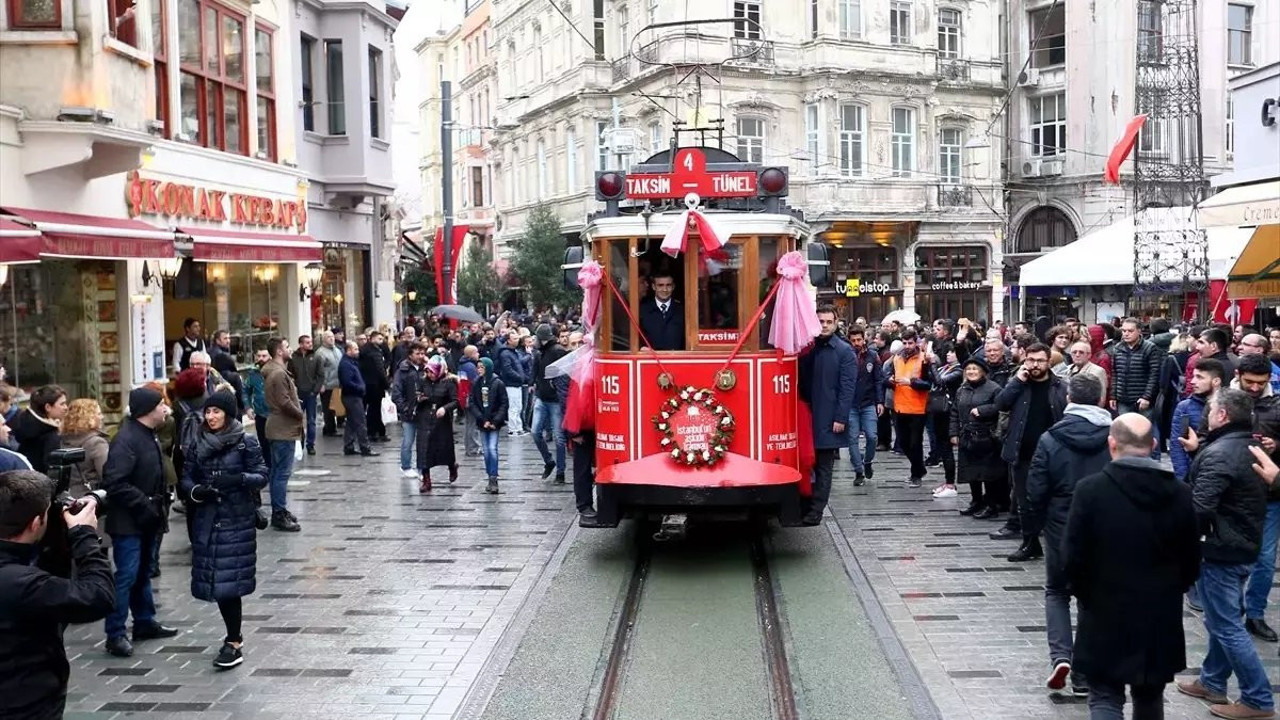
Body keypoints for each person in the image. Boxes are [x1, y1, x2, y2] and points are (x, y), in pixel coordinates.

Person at [1064, 414, 1200, 720]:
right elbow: (1192, 558)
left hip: (1104, 610)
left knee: (1105, 697)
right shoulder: (1180, 493)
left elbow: (1073, 557)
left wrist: (1085, 595)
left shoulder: (1091, 490)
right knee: (1150, 697)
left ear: (1111, 444)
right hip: (1159, 614)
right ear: (1153, 445)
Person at [1176, 388, 1274, 720]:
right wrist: (1196, 453)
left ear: (1222, 416)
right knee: (1225, 618)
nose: (1205, 413)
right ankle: (1212, 680)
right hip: (1243, 544)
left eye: (1211, 409)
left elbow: (1200, 506)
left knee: (1227, 624)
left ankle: (1258, 699)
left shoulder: (1221, 453)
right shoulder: (1250, 445)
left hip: (1221, 549)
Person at [1023, 374, 1112, 695]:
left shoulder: (1050, 438)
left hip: (1061, 525)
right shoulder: (1114, 437)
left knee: (1057, 593)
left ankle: (1061, 656)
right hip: (1101, 528)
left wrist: (1038, 523)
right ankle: (1084, 674)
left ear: (1069, 399)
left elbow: (1035, 488)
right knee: (1090, 597)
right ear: (1100, 399)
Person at [0, 469, 114, 719]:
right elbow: (97, 597)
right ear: (36, 523)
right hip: (24, 705)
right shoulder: (22, 584)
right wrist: (84, 536)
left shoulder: (21, 577)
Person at [179, 391, 269, 670]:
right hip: (207, 519)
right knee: (217, 581)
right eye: (208, 412)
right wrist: (197, 491)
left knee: (229, 584)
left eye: (217, 412)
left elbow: (262, 475)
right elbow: (186, 477)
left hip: (235, 519)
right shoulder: (197, 441)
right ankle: (233, 638)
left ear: (228, 414)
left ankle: (234, 641)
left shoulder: (246, 441)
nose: (211, 417)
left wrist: (239, 479)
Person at [99, 387, 179, 658]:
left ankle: (144, 621)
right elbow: (115, 482)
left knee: (143, 571)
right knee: (127, 575)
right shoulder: (126, 440)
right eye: (161, 405)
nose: (165, 409)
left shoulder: (147, 435)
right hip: (128, 521)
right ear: (148, 410)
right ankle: (115, 633)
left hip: (146, 518)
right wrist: (144, 503)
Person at [991, 343, 1067, 554]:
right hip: (1022, 451)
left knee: (1051, 500)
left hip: (1051, 454)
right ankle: (1030, 542)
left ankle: (1055, 545)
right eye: (1030, 360)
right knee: (1024, 501)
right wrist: (1017, 382)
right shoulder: (1018, 384)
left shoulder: (1060, 387)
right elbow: (1001, 404)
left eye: (1040, 360)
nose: (1034, 365)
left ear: (1049, 361)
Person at [1236, 353, 1280, 643]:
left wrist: (1275, 444)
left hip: (1270, 495)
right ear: (1239, 375)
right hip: (1234, 493)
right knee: (1233, 560)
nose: (1254, 388)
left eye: (1259, 383)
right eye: (1249, 382)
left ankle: (1255, 613)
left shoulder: (1277, 405)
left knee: (1264, 559)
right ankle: (1229, 611)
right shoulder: (1224, 400)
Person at [798, 306, 856, 525]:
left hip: (828, 418)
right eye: (820, 321)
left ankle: (816, 510)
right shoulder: (807, 348)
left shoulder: (844, 351)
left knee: (823, 467)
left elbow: (847, 388)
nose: (823, 325)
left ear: (836, 322)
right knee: (806, 462)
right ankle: (806, 503)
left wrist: (840, 418)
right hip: (806, 415)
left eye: (828, 322)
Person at [950, 356, 1004, 518]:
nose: (971, 372)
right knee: (971, 473)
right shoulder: (962, 389)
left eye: (975, 369)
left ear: (982, 371)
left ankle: (991, 505)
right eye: (969, 369)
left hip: (986, 437)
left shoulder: (994, 388)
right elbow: (954, 412)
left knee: (988, 474)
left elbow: (1002, 406)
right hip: (967, 436)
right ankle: (976, 501)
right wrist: (953, 433)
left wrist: (984, 410)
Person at [262, 337, 303, 533]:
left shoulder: (278, 372)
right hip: (282, 428)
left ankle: (280, 509)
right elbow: (284, 402)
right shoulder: (278, 374)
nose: (290, 349)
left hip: (281, 427)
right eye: (287, 347)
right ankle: (278, 512)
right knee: (281, 473)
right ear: (279, 351)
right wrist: (299, 413)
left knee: (278, 472)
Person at [885, 328, 933, 486]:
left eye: (910, 343)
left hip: (918, 407)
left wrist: (911, 382)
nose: (907, 346)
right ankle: (919, 468)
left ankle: (916, 474)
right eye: (904, 343)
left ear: (916, 342)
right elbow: (887, 377)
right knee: (904, 443)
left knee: (915, 443)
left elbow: (928, 384)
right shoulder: (897, 358)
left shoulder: (923, 359)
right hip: (899, 406)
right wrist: (891, 380)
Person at [1169, 358, 1226, 483]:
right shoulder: (1185, 407)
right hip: (1193, 475)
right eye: (1193, 376)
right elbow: (1177, 444)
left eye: (1200, 377)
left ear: (1216, 381)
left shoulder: (1229, 406)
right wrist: (1182, 478)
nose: (1193, 381)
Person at [845, 325, 885, 485]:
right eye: (853, 340)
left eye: (859, 339)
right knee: (852, 439)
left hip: (868, 402)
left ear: (864, 339)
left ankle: (867, 461)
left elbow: (878, 380)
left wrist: (880, 401)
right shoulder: (846, 356)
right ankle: (858, 471)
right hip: (851, 405)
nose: (856, 343)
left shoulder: (873, 356)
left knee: (871, 436)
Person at [414, 355, 459, 493]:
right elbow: (415, 395)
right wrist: (419, 398)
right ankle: (426, 480)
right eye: (428, 372)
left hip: (441, 419)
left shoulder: (448, 382)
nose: (430, 375)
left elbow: (455, 401)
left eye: (432, 372)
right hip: (425, 416)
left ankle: (452, 466)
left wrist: (445, 408)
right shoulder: (423, 381)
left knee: (444, 447)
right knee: (423, 448)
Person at [532, 324, 568, 483]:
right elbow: (536, 371)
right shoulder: (541, 352)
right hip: (542, 396)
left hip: (553, 399)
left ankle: (560, 471)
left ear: (542, 339)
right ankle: (549, 461)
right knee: (535, 432)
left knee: (559, 438)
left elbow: (564, 374)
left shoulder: (557, 351)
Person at [468, 357, 508, 494]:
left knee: (492, 449)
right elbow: (472, 402)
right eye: (478, 367)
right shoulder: (476, 383)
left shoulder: (498, 383)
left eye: (482, 367)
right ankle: (490, 475)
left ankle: (493, 477)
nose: (479, 370)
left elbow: (503, 403)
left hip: (494, 422)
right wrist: (481, 418)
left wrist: (495, 421)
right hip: (482, 421)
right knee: (486, 451)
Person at [10, 385, 68, 474]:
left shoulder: (24, 426)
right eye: (62, 404)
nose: (66, 407)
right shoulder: (51, 435)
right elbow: (52, 471)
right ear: (48, 407)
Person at [58, 399, 110, 497]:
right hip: (92, 498)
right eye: (98, 414)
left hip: (68, 497)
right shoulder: (97, 443)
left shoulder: (64, 440)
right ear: (89, 418)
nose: (102, 417)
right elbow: (107, 475)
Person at [390, 342, 427, 476]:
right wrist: (404, 408)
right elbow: (396, 392)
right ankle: (406, 466)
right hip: (409, 410)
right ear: (410, 355)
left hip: (423, 410)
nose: (421, 356)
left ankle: (422, 468)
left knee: (423, 442)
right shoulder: (402, 370)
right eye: (417, 353)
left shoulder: (426, 368)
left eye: (422, 353)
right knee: (408, 441)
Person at [339, 341, 377, 457]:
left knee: (351, 422)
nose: (358, 351)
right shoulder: (346, 364)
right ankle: (365, 448)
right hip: (352, 396)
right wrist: (360, 388)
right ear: (348, 351)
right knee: (361, 422)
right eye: (355, 349)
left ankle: (348, 446)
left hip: (354, 396)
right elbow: (347, 382)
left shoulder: (351, 362)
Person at [287, 335, 322, 456]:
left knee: (311, 420)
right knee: (297, 419)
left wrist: (315, 390)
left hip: (311, 393)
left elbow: (321, 375)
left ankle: (310, 444)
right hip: (298, 394)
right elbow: (289, 375)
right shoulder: (293, 358)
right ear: (301, 344)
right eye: (307, 342)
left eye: (310, 342)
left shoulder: (316, 356)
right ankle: (299, 442)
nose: (310, 344)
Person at [639, 272, 686, 351]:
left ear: (673, 287)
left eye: (668, 285)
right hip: (649, 360)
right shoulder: (642, 309)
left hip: (676, 360)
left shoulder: (682, 310)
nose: (665, 289)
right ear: (654, 287)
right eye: (660, 285)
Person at [359, 332, 390, 443]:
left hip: (366, 384)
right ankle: (373, 432)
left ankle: (375, 431)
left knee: (371, 409)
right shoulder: (374, 351)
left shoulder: (364, 349)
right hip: (374, 385)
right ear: (372, 339)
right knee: (374, 409)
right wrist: (387, 384)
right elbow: (380, 370)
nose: (382, 341)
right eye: (379, 339)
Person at [496, 331, 528, 435]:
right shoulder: (506, 353)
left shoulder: (513, 352)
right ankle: (513, 429)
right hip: (511, 384)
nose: (517, 340)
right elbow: (508, 369)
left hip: (516, 384)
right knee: (514, 407)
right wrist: (520, 378)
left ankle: (518, 428)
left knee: (518, 407)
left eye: (517, 338)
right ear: (508, 341)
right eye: (514, 339)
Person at [243, 349, 272, 461]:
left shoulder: (276, 370)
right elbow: (245, 390)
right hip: (260, 414)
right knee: (263, 444)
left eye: (264, 356)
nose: (261, 358)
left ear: (270, 356)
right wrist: (248, 407)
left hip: (275, 414)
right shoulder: (252, 373)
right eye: (258, 355)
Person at [209, 331, 246, 417]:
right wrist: (242, 405)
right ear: (217, 341)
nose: (228, 341)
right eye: (225, 338)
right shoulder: (222, 356)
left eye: (229, 338)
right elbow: (233, 377)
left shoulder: (212, 352)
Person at [1059, 341, 1108, 406]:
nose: (1077, 355)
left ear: (1089, 355)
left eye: (1081, 352)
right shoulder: (1067, 370)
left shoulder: (1098, 371)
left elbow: (1101, 398)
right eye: (1074, 352)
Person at [315, 331, 343, 437]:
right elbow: (318, 370)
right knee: (328, 408)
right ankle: (330, 429)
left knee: (337, 407)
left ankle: (333, 426)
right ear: (324, 339)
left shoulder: (337, 350)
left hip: (337, 383)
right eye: (328, 337)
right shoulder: (320, 353)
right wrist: (321, 384)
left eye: (332, 337)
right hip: (327, 384)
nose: (331, 339)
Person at [458, 346, 481, 457]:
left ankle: (470, 447)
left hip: (464, 397)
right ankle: (473, 448)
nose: (478, 354)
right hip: (470, 398)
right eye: (476, 352)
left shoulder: (462, 365)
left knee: (469, 423)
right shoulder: (471, 367)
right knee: (473, 424)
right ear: (471, 354)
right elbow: (475, 383)